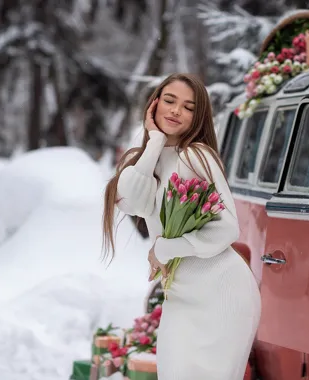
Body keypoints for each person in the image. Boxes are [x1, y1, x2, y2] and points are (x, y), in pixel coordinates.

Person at [102, 73, 261, 380]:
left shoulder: (196, 156)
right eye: (170, 101)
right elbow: (130, 200)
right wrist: (155, 143)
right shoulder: (144, 161)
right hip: (180, 295)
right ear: (154, 104)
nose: (176, 111)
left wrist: (165, 247)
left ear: (197, 117)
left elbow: (227, 229)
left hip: (221, 291)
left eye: (188, 107)